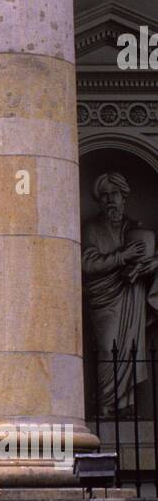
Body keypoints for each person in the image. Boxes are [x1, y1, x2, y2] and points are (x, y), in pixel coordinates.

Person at [82, 171, 158, 413]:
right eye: (104, 196)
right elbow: (88, 264)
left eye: (114, 194)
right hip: (104, 298)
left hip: (132, 295)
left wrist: (151, 264)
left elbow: (148, 259)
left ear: (124, 197)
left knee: (131, 350)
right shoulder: (92, 228)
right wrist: (122, 256)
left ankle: (124, 405)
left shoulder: (135, 227)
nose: (109, 200)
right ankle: (105, 403)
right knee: (107, 347)